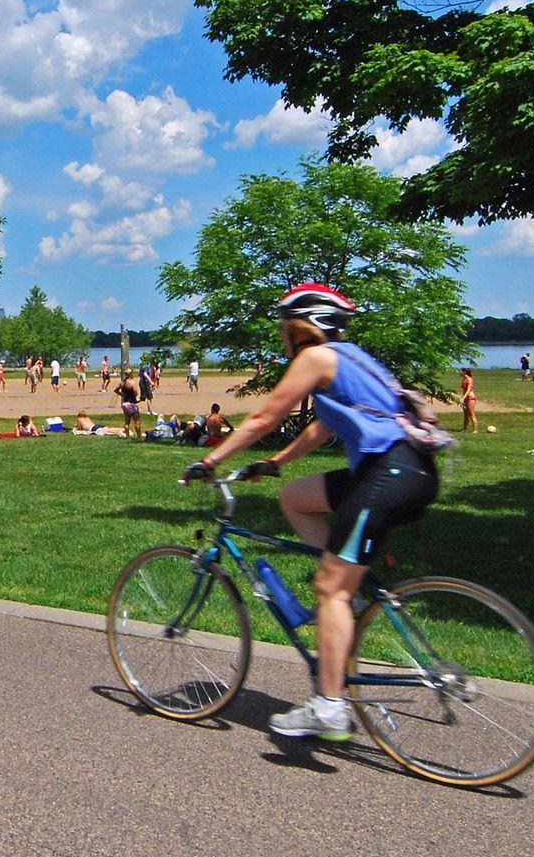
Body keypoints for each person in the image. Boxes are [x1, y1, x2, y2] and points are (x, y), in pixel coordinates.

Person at [184, 283, 439, 742]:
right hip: (404, 471)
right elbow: (324, 425)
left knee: (329, 589)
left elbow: (266, 418)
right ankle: (348, 596)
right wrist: (277, 464)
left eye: (285, 325)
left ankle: (329, 706)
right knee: (296, 498)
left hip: (389, 475)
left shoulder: (315, 358)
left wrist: (210, 461)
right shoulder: (351, 357)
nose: (281, 335)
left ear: (302, 325)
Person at [117, 370, 143, 439]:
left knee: (127, 421)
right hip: (132, 404)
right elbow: (135, 393)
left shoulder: (122, 383)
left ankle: (127, 437)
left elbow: (116, 390)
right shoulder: (132, 383)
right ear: (130, 374)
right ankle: (139, 437)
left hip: (125, 404)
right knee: (137, 422)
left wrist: (122, 394)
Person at [459, 366, 479, 434]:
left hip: (470, 398)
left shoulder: (469, 379)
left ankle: (475, 430)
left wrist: (463, 398)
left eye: (461, 371)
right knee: (465, 415)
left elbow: (469, 390)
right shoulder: (464, 379)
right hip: (465, 398)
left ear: (464, 372)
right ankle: (464, 429)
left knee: (471, 414)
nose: (459, 372)